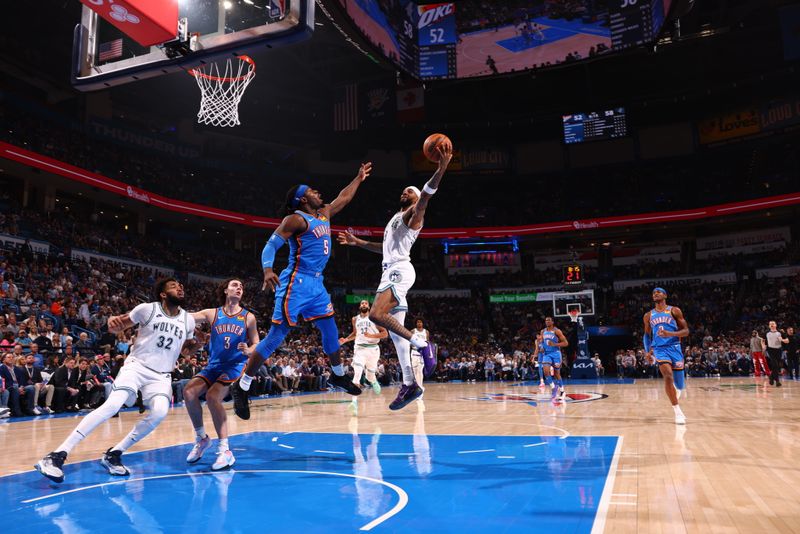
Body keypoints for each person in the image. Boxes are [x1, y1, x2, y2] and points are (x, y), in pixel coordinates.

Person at [231, 164, 374, 419]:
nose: (319, 193)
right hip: (296, 283)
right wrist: (267, 270)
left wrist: (358, 178)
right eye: (313, 191)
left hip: (317, 285)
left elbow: (344, 196)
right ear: (303, 199)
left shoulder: (324, 213)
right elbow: (271, 245)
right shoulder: (296, 219)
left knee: (330, 329)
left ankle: (339, 376)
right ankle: (241, 387)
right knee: (276, 336)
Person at [35, 278, 203, 483]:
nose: (180, 287)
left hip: (161, 376)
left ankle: (114, 454)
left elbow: (185, 352)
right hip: (137, 366)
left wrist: (197, 345)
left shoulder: (188, 320)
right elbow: (117, 325)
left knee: (159, 412)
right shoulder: (147, 309)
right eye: (174, 286)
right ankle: (56, 455)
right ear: (163, 294)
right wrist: (113, 322)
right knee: (112, 405)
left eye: (181, 286)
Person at [337, 143, 453, 411]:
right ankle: (410, 383)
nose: (405, 192)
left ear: (414, 198)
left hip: (399, 270)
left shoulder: (415, 214)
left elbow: (425, 196)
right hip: (391, 268)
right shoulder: (396, 219)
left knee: (376, 315)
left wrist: (441, 169)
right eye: (404, 190)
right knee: (397, 338)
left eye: (409, 191)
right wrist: (358, 242)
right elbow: (384, 248)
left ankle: (423, 345)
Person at [185, 278, 259, 470]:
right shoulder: (212, 313)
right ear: (225, 290)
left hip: (234, 365)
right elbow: (187, 317)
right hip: (214, 365)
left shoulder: (248, 317)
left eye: (241, 286)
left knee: (212, 397)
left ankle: (225, 450)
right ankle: (201, 438)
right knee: (188, 392)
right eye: (235, 285)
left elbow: (257, 343)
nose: (239, 288)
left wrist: (249, 350)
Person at [643, 287, 689, 425]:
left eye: (659, 292)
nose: (656, 293)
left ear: (665, 295)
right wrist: (647, 351)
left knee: (680, 386)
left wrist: (671, 334)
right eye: (653, 293)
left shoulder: (674, 310)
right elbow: (646, 335)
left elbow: (686, 331)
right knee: (668, 376)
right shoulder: (648, 315)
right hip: (659, 349)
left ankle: (676, 390)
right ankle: (677, 412)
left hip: (674, 348)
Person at [339, 300, 388, 416]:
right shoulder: (355, 319)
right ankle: (354, 403)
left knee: (369, 376)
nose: (363, 305)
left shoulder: (375, 318)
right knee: (357, 373)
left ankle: (373, 381)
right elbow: (355, 333)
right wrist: (345, 339)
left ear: (369, 307)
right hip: (359, 348)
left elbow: (385, 333)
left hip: (373, 349)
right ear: (359, 306)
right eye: (362, 303)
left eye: (365, 303)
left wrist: (371, 335)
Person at [540, 317, 569, 402]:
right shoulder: (543, 331)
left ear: (552, 322)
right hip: (546, 354)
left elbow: (566, 343)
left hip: (556, 354)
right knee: (545, 371)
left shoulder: (557, 331)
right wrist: (541, 347)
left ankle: (562, 391)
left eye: (549, 320)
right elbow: (542, 341)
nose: (547, 322)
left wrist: (555, 344)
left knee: (557, 374)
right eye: (546, 320)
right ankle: (553, 388)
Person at [408, 319, 431, 396]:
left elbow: (427, 343)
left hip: (422, 353)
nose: (419, 323)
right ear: (416, 323)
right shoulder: (413, 331)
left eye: (420, 322)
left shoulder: (426, 332)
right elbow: (409, 341)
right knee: (414, 370)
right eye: (418, 322)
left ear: (423, 323)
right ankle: (416, 386)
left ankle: (420, 387)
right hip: (414, 351)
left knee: (420, 370)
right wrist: (414, 346)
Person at [765, 321, 785, 387]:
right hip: (770, 350)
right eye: (770, 324)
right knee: (775, 364)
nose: (771, 325)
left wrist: (782, 339)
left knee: (777, 366)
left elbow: (785, 339)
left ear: (776, 325)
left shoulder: (780, 332)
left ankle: (771, 377)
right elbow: (763, 340)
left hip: (779, 350)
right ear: (769, 326)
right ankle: (777, 381)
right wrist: (763, 346)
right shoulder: (766, 333)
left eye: (773, 324)